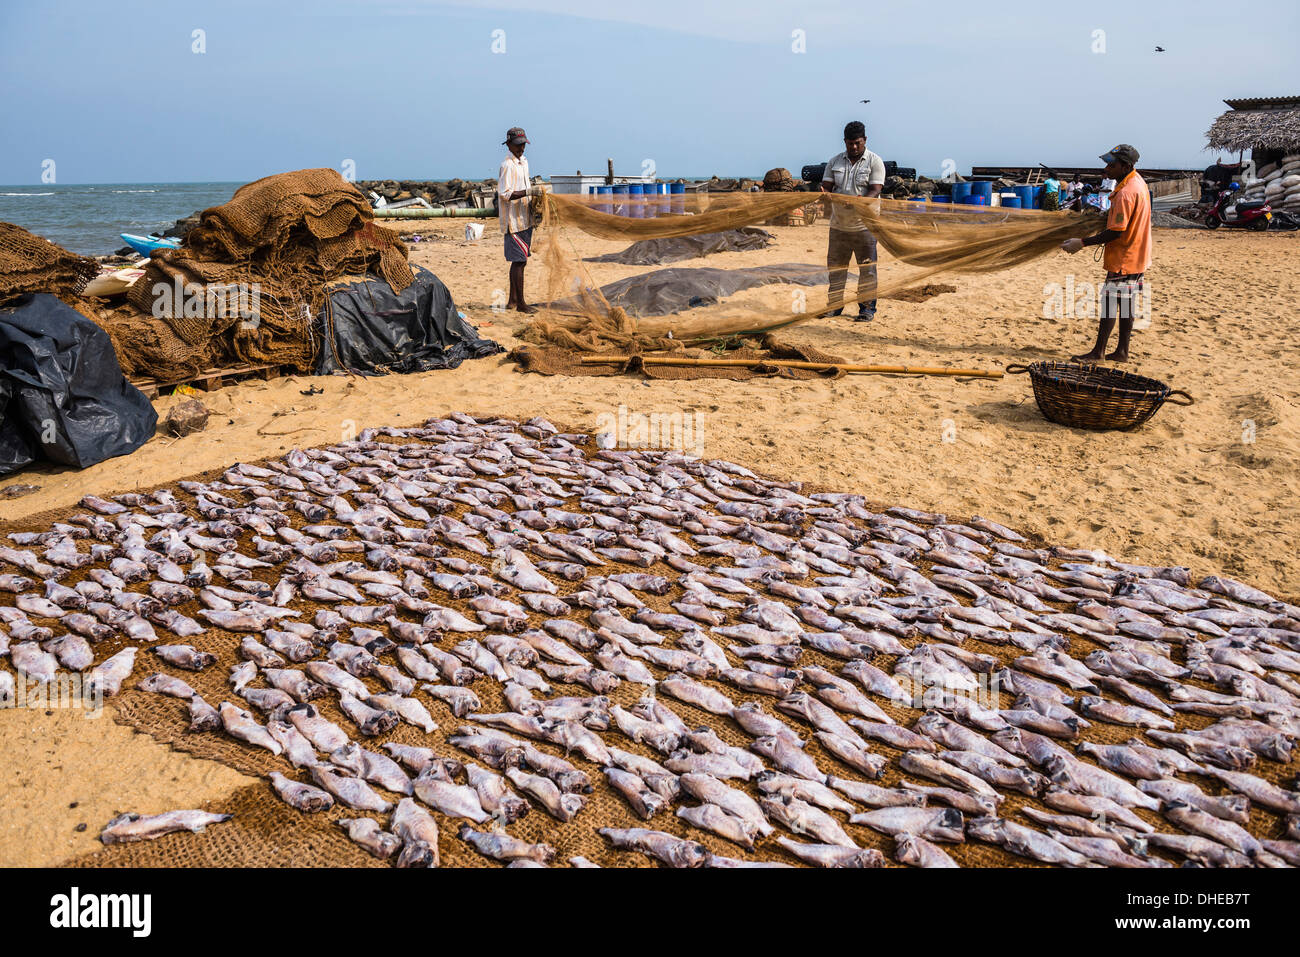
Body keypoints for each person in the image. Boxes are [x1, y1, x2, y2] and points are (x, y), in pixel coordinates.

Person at [1061, 144, 1150, 362]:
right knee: (1127, 304)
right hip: (1138, 255)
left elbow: (1116, 233)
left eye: (1111, 165)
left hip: (1124, 257)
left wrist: (1081, 242)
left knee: (1110, 303)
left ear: (1126, 166)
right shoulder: (1137, 183)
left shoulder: (1126, 193)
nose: (1106, 170)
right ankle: (1122, 352)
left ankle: (1098, 352)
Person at [819, 121, 885, 321]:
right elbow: (826, 186)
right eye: (850, 143)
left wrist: (859, 202)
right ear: (844, 142)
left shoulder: (875, 161)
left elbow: (875, 189)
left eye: (858, 143)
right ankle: (834, 307)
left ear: (865, 140)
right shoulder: (834, 162)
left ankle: (866, 309)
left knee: (867, 270)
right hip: (838, 226)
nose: (854, 147)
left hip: (864, 227)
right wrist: (824, 194)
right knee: (837, 270)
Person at [497, 126, 542, 313]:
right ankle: (522, 304)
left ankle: (513, 300)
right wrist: (528, 192)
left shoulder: (524, 162)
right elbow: (505, 193)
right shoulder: (507, 165)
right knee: (519, 261)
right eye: (517, 145)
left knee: (520, 260)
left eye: (523, 145)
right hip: (513, 221)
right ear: (508, 145)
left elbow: (525, 184)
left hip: (525, 218)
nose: (521, 148)